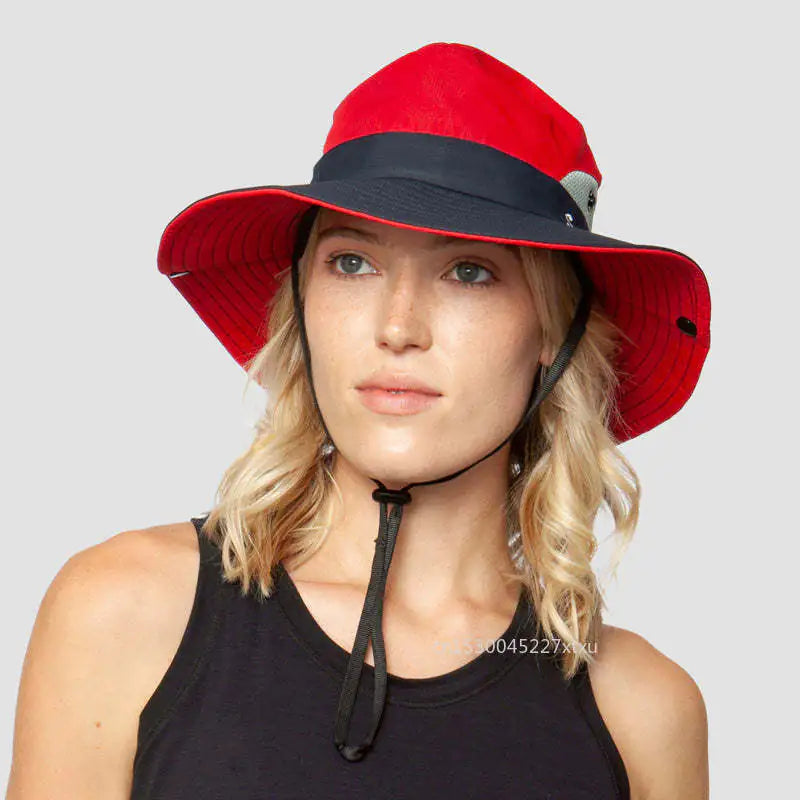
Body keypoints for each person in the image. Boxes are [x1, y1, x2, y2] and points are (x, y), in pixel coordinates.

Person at [7, 42, 710, 798]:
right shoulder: (127, 609)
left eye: (469, 271)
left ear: (553, 329)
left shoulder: (641, 713)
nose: (397, 327)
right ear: (302, 303)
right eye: (352, 262)